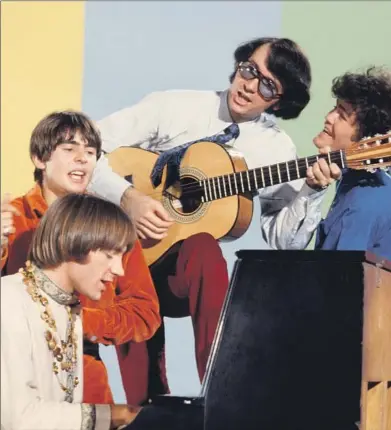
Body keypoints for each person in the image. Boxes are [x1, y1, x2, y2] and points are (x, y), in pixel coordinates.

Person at [87, 36, 341, 403]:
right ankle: (145, 408)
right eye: (250, 69)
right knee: (131, 288)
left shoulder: (275, 148)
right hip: (127, 258)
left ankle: (221, 394)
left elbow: (285, 242)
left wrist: (311, 191)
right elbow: (86, 143)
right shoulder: (174, 105)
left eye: (268, 84)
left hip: (184, 274)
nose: (250, 85)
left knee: (205, 248)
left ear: (279, 102)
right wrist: (129, 198)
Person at [0, 111, 161, 403]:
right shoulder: (11, 217)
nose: (83, 159)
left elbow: (145, 313)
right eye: (70, 149)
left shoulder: (113, 226)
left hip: (84, 367)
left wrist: (81, 322)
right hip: (15, 366)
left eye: (90, 152)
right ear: (40, 158)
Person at [1, 193, 143, 430]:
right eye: (110, 255)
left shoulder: (69, 311)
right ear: (74, 243)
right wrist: (116, 415)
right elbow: (17, 418)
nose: (119, 269)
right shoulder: (9, 299)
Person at [313, 66, 391, 276]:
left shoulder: (361, 200)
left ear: (369, 139)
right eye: (335, 108)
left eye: (342, 115)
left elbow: (333, 281)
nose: (329, 117)